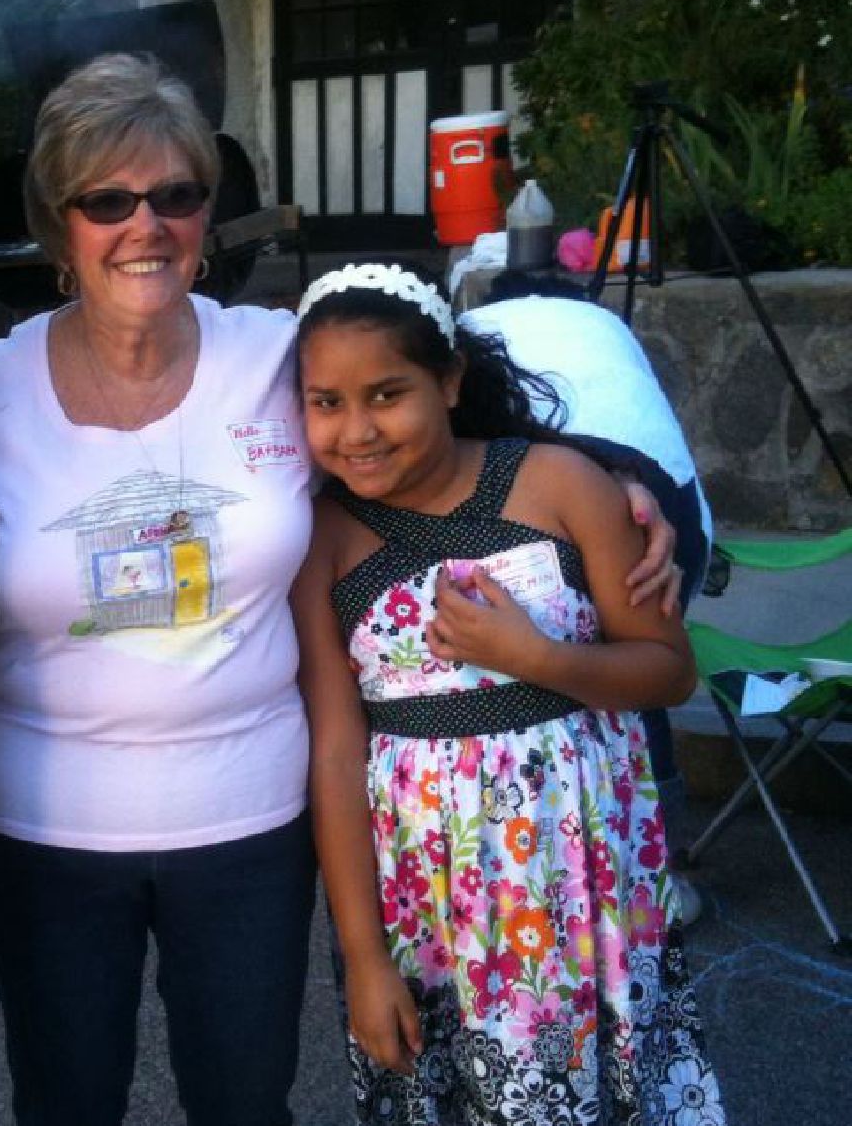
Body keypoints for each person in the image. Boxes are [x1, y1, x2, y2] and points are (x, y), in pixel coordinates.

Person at [0, 55, 681, 1126]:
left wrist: (624, 483)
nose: (145, 225)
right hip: (46, 831)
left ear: (207, 213)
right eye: (107, 201)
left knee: (245, 1102)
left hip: (248, 822)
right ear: (59, 224)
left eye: (176, 194)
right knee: (65, 1101)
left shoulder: (278, 358)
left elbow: (437, 418)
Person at [291, 261, 725, 1125]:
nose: (358, 429)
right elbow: (337, 755)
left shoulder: (562, 485)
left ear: (450, 381)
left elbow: (668, 668)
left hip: (583, 887)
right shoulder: (325, 544)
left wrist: (536, 657)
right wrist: (364, 958)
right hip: (429, 910)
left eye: (388, 394)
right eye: (326, 402)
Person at [460, 274, 711, 821]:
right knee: (634, 663)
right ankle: (657, 838)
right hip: (642, 478)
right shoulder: (604, 325)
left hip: (612, 485)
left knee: (634, 657)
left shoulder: (468, 332)